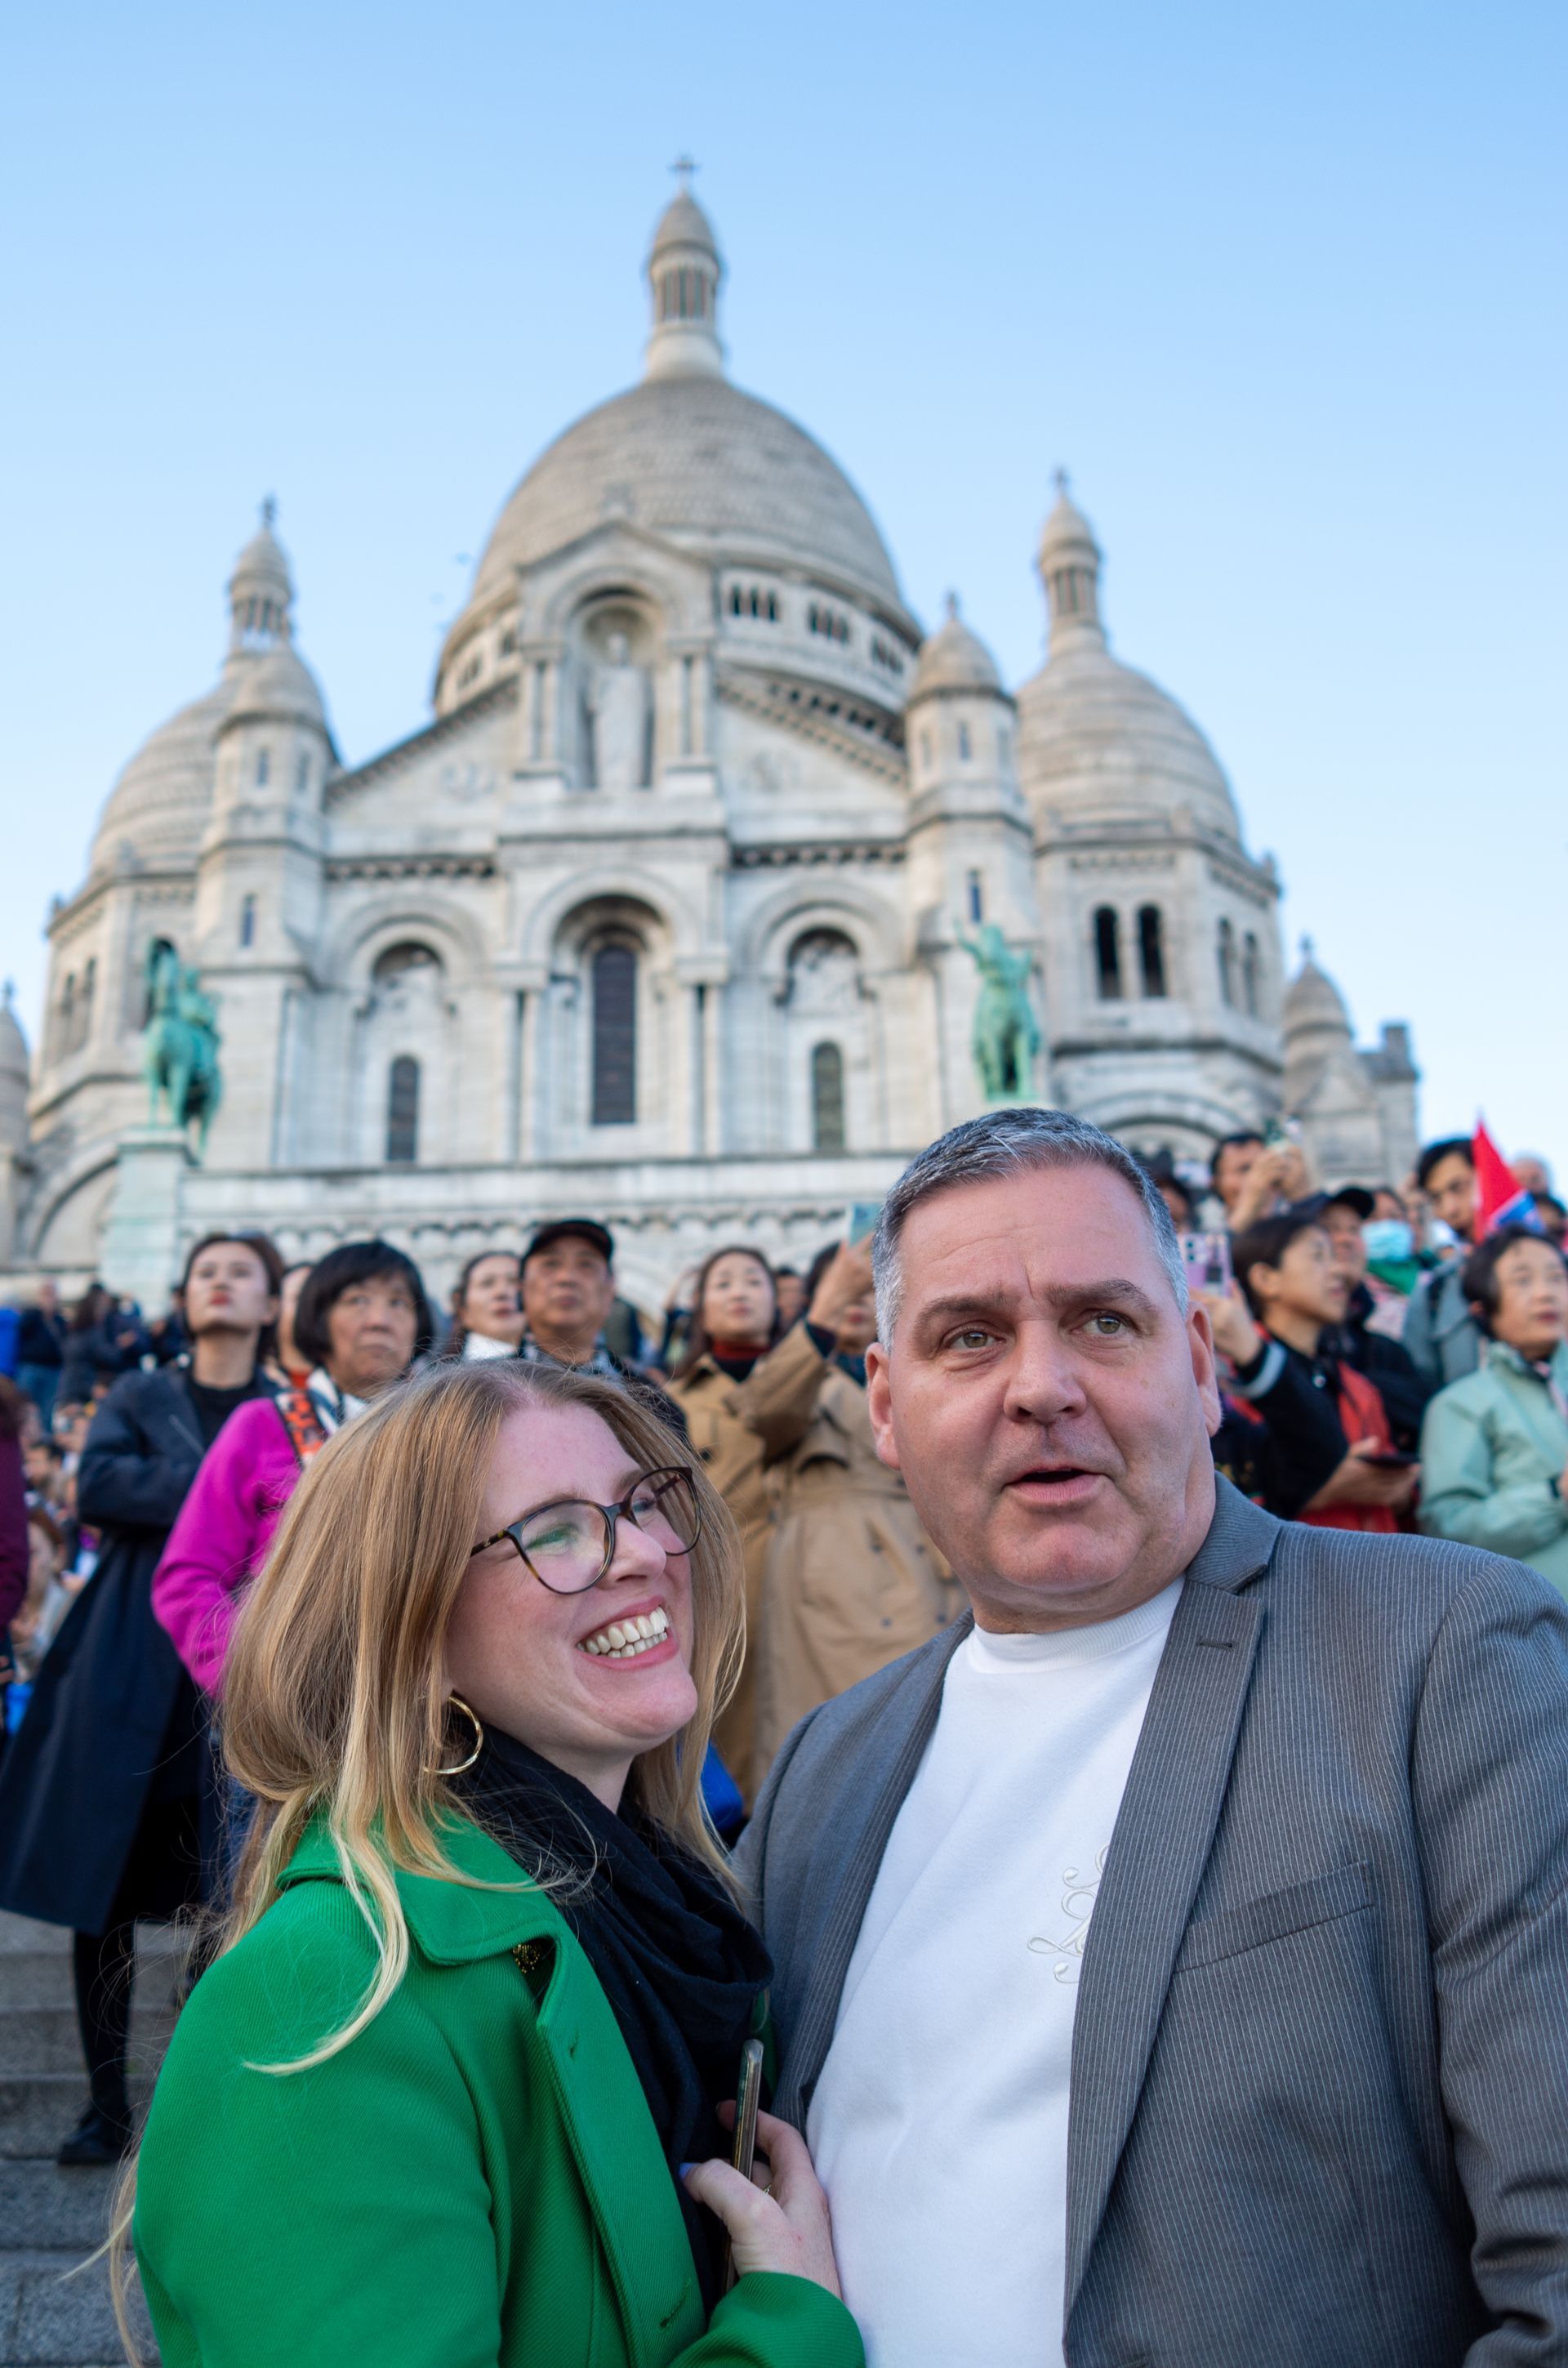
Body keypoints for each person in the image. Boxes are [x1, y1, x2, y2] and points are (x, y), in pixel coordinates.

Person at [735, 1104, 1568, 2368]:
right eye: (971, 1337)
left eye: (1102, 1321)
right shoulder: (820, 1769)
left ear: (1197, 1361)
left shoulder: (1446, 1650)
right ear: (888, 1405)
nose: (1042, 1385)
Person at [128, 1359, 859, 2368]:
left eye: (644, 1503)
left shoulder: (675, 1915)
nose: (644, 1552)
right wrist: (787, 2330)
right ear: (411, 1628)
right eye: (555, 1530)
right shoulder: (326, 1999)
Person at [0, 1232, 283, 2165]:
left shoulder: (286, 1408)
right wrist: (228, 1490)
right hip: (126, 1653)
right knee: (103, 1895)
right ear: (183, 1294)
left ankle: (193, 2099)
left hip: (233, 1669)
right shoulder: (140, 1390)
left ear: (273, 1299)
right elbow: (97, 1485)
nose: (221, 1283)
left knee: (225, 1891)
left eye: (241, 1271)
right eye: (207, 1270)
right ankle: (103, 2103)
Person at [154, 1238, 432, 1697]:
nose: (380, 1319)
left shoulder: (444, 1438)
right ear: (318, 1320)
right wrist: (253, 1684)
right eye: (357, 1300)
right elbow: (188, 1578)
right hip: (293, 1717)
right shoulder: (264, 1424)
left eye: (399, 1303)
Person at [751, 1242, 956, 1792]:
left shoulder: (920, 1371)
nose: (856, 1302)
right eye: (845, 1290)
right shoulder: (797, 1371)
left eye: (871, 1291)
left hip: (939, 1570)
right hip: (839, 1591)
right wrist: (824, 1307)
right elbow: (765, 1413)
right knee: (851, 1767)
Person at [666, 1244, 840, 1795]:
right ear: (700, 1307)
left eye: (753, 1280)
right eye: (723, 1283)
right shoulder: (673, 1398)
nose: (740, 1291)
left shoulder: (828, 1387)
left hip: (820, 1596)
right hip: (724, 1601)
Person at [1205, 1209, 1418, 1531]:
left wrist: (1400, 1493)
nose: (1339, 1271)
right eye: (1318, 1256)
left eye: (1336, 1256)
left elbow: (1402, 1506)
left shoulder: (1358, 1387)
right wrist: (1314, 1491)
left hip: (1374, 1571)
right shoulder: (1229, 1380)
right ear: (1266, 1279)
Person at [1419, 1226, 1568, 1597]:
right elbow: (1447, 1527)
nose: (1546, 1292)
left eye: (1557, 1276)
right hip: (1539, 1632)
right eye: (1522, 1280)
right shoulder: (1461, 1404)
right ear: (1482, 1307)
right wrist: (1554, 1496)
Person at [520, 1218, 684, 1432]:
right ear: (522, 1287)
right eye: (550, 1264)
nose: (567, 1278)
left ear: (611, 1288)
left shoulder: (658, 1406)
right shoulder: (485, 1390)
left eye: (586, 1265)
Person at [1309, 1186, 1433, 1431]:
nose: (1347, 1239)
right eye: (1331, 1229)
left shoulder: (1384, 1349)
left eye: (1355, 1229)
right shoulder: (1284, 1347)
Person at [1404, 1135, 1482, 1385]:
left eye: (1459, 1188)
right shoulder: (1432, 1295)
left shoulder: (1556, 1271)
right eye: (1436, 1199)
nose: (1450, 1210)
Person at [445, 1247, 526, 1360]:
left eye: (514, 1281)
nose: (502, 1292)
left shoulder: (554, 1364)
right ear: (462, 1309)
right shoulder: (436, 1373)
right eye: (487, 1283)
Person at [15, 1282, 66, 1428]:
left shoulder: (58, 1320)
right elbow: (22, 1329)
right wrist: (40, 1312)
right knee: (25, 1406)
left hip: (52, 1369)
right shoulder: (32, 1315)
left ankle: (43, 1441)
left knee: (47, 1408)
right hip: (31, 1367)